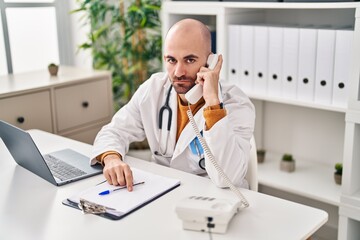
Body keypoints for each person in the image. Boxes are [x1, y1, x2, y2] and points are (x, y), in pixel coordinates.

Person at [90, 18, 255, 191]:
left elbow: (226, 179)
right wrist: (111, 158)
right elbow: (114, 131)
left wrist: (213, 103)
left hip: (213, 199)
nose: (178, 72)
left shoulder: (236, 104)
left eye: (189, 60)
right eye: (172, 60)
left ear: (210, 61)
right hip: (162, 192)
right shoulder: (153, 90)